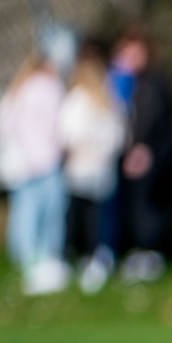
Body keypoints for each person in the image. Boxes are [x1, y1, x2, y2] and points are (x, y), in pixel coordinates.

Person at [109, 28, 172, 283]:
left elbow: (164, 126)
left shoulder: (158, 84)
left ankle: (149, 251)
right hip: (117, 157)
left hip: (152, 158)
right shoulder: (117, 82)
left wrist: (146, 151)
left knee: (146, 206)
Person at [0, 51, 69, 295]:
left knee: (26, 215)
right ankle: (46, 261)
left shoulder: (16, 92)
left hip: (25, 164)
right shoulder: (51, 87)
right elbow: (61, 124)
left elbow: (4, 128)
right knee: (50, 215)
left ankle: (29, 262)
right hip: (47, 161)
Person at [58, 42, 127, 294]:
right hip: (88, 169)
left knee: (89, 218)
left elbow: (112, 136)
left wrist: (91, 149)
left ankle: (91, 259)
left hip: (90, 170)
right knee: (86, 217)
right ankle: (85, 258)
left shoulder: (97, 102)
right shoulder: (94, 101)